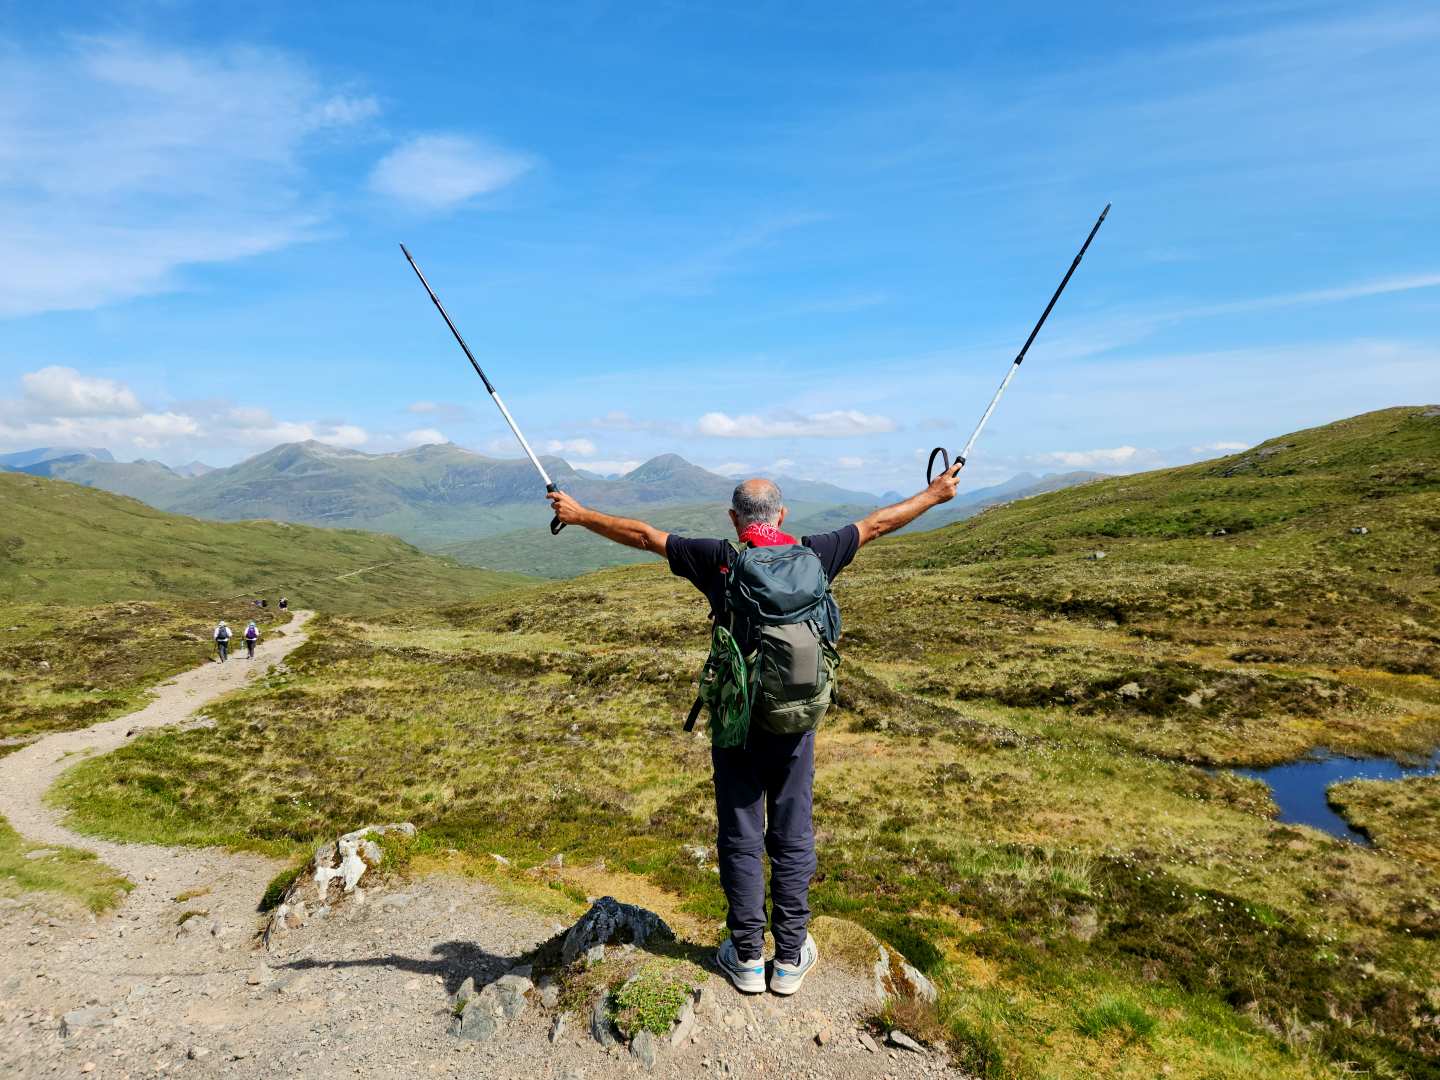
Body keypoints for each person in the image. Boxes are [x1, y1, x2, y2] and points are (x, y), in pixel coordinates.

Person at [548, 467, 961, 996]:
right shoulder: (817, 554)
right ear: (782, 517)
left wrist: (579, 514)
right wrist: (934, 493)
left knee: (740, 834)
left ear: (734, 519)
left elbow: (644, 535)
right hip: (796, 726)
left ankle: (746, 956)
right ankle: (789, 958)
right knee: (792, 833)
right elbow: (878, 524)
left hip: (736, 726)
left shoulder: (719, 559)